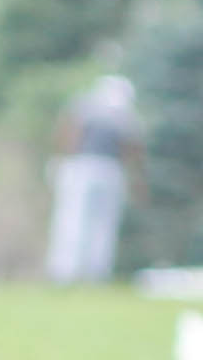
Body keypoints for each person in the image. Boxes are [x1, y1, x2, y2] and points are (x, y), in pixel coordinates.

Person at [48, 75, 140, 286]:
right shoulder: (114, 113)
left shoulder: (90, 108)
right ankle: (71, 272)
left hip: (94, 168)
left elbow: (69, 134)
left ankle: (84, 273)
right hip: (92, 167)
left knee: (86, 222)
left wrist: (61, 160)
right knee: (80, 221)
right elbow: (132, 149)